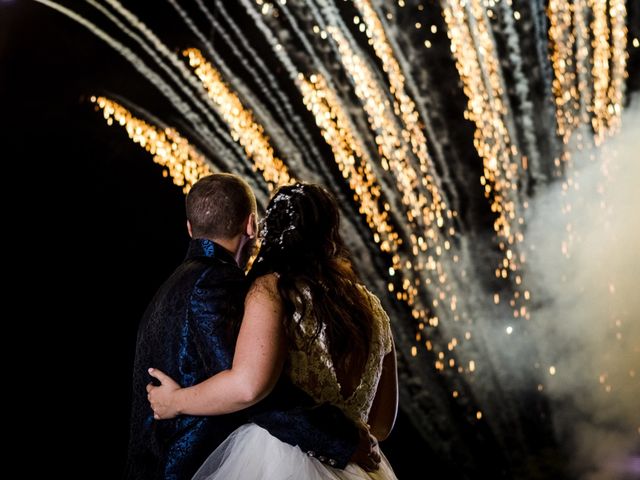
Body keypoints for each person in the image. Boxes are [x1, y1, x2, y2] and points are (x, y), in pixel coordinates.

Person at [125, 174, 378, 480]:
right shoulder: (216, 285)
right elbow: (254, 391)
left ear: (191, 229)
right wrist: (342, 441)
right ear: (251, 226)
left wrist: (175, 401)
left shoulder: (172, 286)